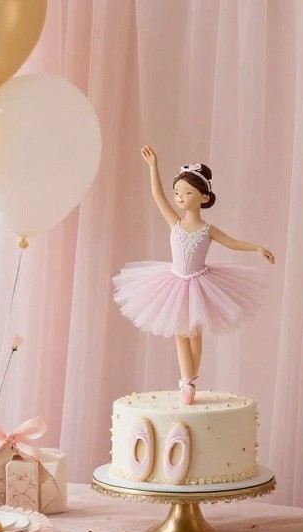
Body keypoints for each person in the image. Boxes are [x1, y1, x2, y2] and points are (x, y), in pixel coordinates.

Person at [112, 146, 275, 405]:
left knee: (195, 334)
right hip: (173, 282)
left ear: (203, 197)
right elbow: (157, 195)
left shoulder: (208, 229)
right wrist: (154, 166)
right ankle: (187, 382)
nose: (180, 198)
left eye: (187, 193)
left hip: (200, 283)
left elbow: (232, 243)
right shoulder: (174, 223)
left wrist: (256, 248)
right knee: (180, 332)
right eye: (178, 193)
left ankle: (191, 381)